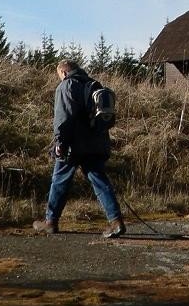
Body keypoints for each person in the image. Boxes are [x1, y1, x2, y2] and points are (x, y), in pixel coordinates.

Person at [33, 58, 126, 238]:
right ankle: (116, 222)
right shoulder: (94, 84)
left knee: (60, 179)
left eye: (59, 75)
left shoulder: (66, 86)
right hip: (97, 143)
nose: (60, 79)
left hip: (74, 145)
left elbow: (64, 116)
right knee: (99, 180)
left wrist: (60, 142)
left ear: (64, 72)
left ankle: (50, 221)